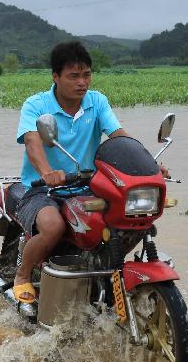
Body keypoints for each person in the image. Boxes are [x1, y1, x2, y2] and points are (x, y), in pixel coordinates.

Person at [11, 41, 167, 305]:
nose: (82, 82)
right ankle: (22, 274)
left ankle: (104, 272)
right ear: (56, 77)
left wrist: (146, 163)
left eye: (86, 75)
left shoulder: (96, 101)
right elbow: (32, 140)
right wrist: (48, 172)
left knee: (129, 218)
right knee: (52, 226)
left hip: (86, 186)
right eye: (74, 76)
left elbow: (117, 134)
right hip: (42, 188)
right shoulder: (36, 105)